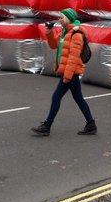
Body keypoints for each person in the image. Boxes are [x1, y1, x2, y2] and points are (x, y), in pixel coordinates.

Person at [31, 8, 97, 136]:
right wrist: (49, 32)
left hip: (71, 71)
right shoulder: (65, 32)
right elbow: (53, 45)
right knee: (78, 98)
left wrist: (67, 75)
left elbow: (73, 57)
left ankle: (47, 126)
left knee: (56, 96)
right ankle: (91, 124)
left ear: (68, 19)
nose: (59, 20)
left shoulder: (76, 34)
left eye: (61, 18)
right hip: (69, 71)